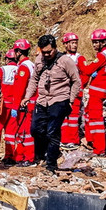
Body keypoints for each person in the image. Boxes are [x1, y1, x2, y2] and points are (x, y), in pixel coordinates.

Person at [21, 35, 81, 172]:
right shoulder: (39, 60)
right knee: (35, 129)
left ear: (55, 48)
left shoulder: (65, 61)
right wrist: (27, 97)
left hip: (59, 99)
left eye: (49, 52)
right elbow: (34, 79)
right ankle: (43, 154)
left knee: (53, 132)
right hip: (42, 100)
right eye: (44, 52)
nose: (47, 55)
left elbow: (76, 81)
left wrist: (71, 101)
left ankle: (51, 164)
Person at [83, 29, 106, 155]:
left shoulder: (102, 56)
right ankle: (90, 140)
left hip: (97, 92)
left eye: (97, 42)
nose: (94, 45)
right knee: (87, 114)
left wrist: (81, 64)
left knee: (96, 121)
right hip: (101, 92)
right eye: (93, 42)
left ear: (103, 42)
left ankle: (99, 149)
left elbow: (88, 70)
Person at [8, 39, 36, 166]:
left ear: (19, 52)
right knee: (25, 131)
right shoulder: (31, 64)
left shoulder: (24, 67)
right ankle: (20, 156)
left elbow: (20, 88)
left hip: (24, 104)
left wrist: (15, 106)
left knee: (24, 132)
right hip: (30, 102)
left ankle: (27, 158)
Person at [60, 32, 89, 148]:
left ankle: (73, 140)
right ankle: (64, 139)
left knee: (72, 118)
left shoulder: (79, 58)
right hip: (63, 92)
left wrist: (79, 87)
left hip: (75, 93)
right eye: (72, 43)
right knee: (63, 117)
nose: (75, 45)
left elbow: (86, 74)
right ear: (65, 44)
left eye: (76, 43)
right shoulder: (62, 58)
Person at [0, 49, 18, 164]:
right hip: (15, 106)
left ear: (7, 59)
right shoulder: (20, 69)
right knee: (10, 133)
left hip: (2, 106)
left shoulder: (1, 70)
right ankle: (10, 156)